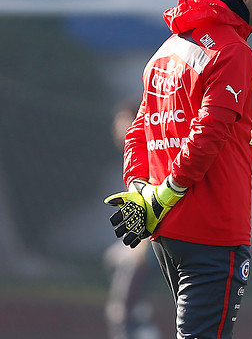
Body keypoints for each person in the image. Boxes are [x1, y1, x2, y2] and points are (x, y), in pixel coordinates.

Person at [104, 0, 252, 339]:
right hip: (213, 231)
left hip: (168, 231)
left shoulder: (167, 50)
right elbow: (208, 133)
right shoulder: (233, 51)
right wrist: (165, 193)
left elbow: (139, 131)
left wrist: (142, 190)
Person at [104, 98, 162, 339]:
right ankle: (140, 318)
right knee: (113, 257)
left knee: (119, 310)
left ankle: (130, 324)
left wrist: (144, 242)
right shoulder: (132, 157)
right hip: (146, 239)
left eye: (123, 121)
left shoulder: (152, 154)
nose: (118, 128)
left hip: (160, 238)